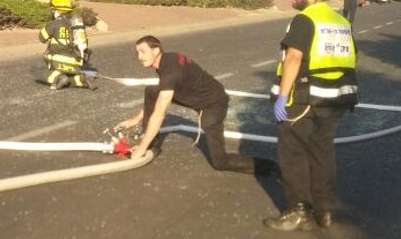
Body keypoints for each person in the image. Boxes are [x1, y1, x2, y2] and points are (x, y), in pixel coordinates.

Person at [265, 0, 358, 231]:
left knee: (293, 155)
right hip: (334, 99)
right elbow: (352, 55)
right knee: (322, 154)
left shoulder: (305, 19)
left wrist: (283, 97)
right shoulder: (340, 20)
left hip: (304, 99)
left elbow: (293, 59)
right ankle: (324, 211)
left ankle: (298, 211)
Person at [115, 35, 279, 176]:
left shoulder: (170, 71)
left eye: (142, 51)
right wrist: (136, 119)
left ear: (156, 50)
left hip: (213, 103)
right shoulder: (166, 60)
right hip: (194, 94)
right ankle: (152, 144)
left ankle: (272, 167)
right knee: (152, 91)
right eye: (137, 52)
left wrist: (141, 150)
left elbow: (159, 113)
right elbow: (158, 100)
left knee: (220, 161)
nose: (139, 56)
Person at [38, 0, 93, 89]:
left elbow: (42, 38)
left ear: (57, 11)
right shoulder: (74, 24)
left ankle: (59, 77)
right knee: (73, 75)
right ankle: (81, 79)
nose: (52, 12)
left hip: (58, 58)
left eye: (53, 10)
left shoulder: (53, 24)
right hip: (77, 60)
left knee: (38, 72)